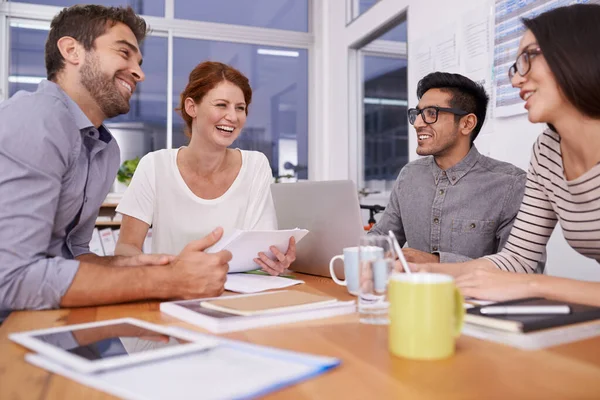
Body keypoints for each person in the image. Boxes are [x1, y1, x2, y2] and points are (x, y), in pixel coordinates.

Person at [0, 5, 232, 321]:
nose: (139, 72)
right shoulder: (35, 119)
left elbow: (72, 255)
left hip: (42, 318)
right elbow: (10, 279)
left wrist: (140, 265)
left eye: (138, 61)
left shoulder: (104, 148)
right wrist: (167, 280)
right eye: (124, 54)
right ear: (72, 51)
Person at [412, 4, 600, 307]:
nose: (515, 81)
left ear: (579, 53)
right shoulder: (547, 151)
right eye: (515, 66)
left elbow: (525, 275)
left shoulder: (509, 179)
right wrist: (423, 272)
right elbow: (519, 259)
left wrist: (533, 285)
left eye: (528, 58)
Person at [114, 61, 296, 276]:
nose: (233, 116)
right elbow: (125, 249)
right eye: (221, 105)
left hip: (238, 295)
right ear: (192, 107)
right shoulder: (155, 166)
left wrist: (274, 260)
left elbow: (262, 250)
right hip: (173, 292)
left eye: (240, 108)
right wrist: (172, 267)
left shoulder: (256, 165)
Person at [369, 72, 528, 264]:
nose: (418, 123)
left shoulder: (510, 184)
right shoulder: (409, 176)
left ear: (467, 123)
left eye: (431, 113)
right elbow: (382, 238)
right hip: (412, 294)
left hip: (471, 295)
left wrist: (436, 262)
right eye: (417, 114)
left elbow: (523, 269)